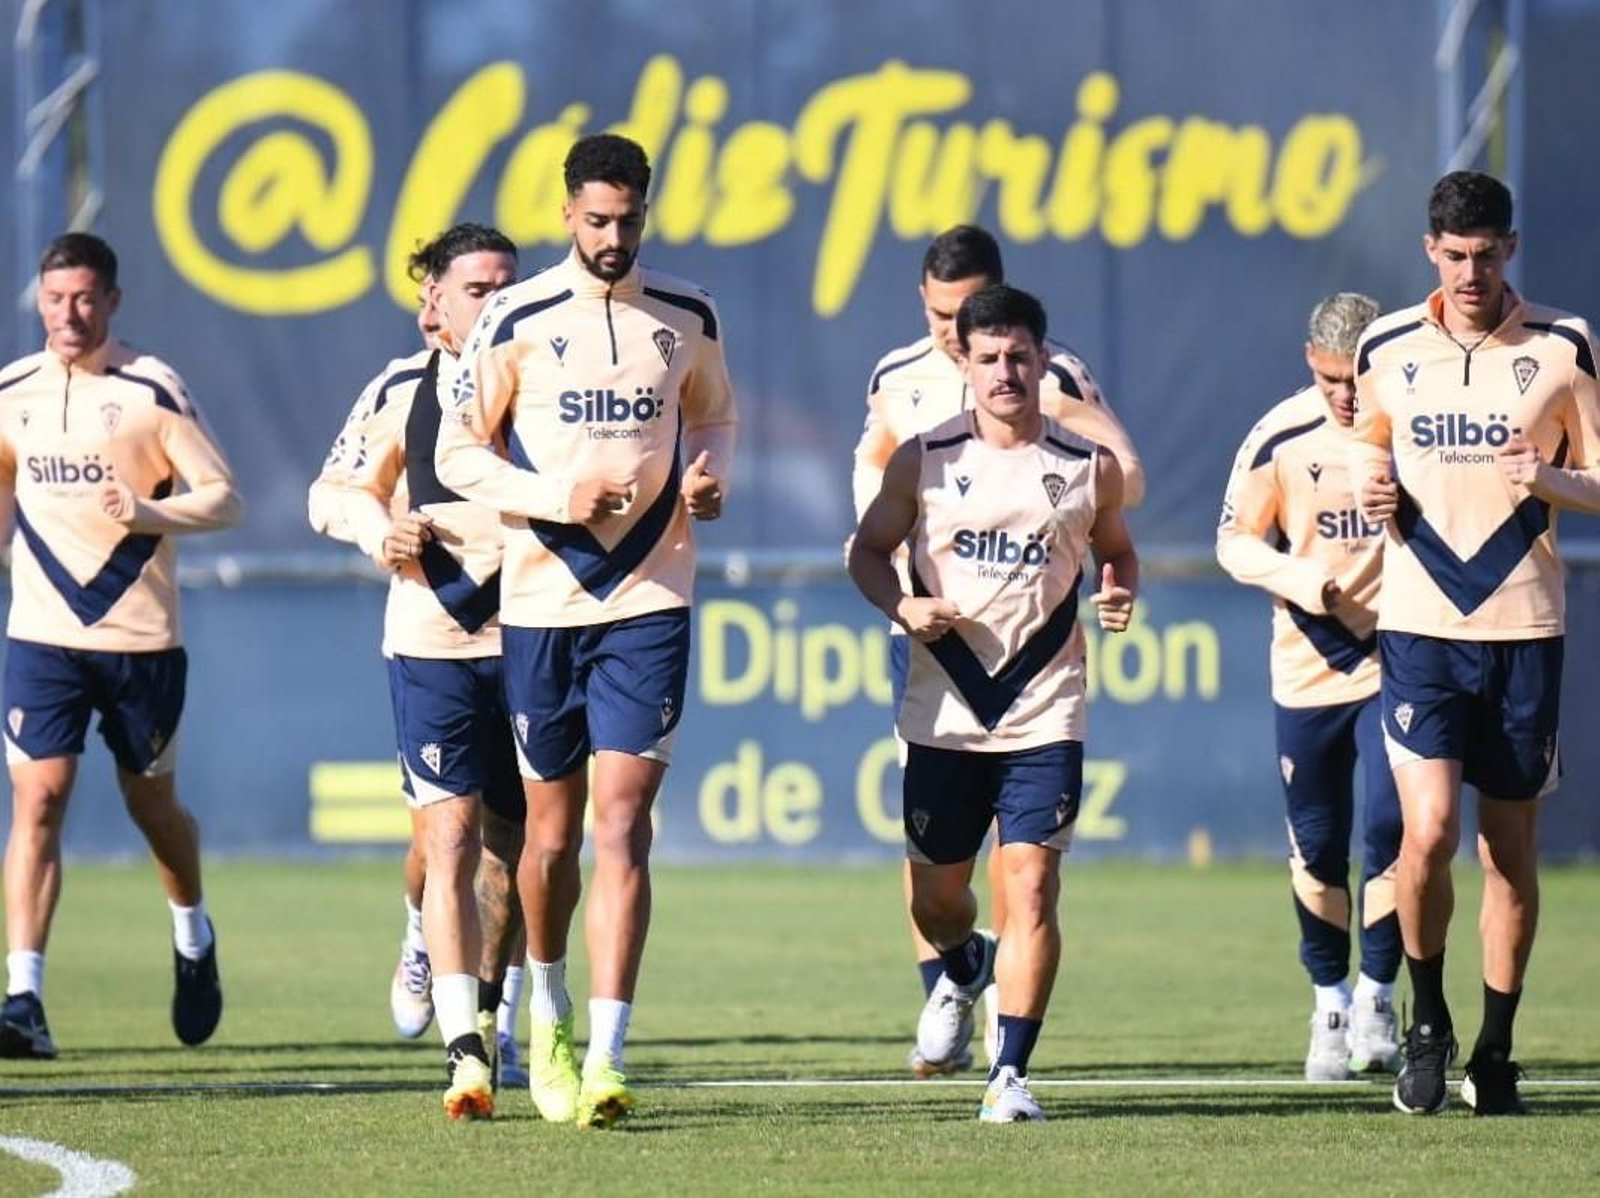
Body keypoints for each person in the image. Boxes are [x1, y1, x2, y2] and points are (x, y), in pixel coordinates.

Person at [437, 133, 736, 1128]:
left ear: (647, 213)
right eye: (596, 220)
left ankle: (608, 1050)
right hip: (540, 603)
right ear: (568, 211)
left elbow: (716, 418)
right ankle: (548, 1008)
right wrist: (554, 494)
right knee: (551, 837)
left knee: (622, 822)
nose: (612, 238)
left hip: (649, 597)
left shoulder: (685, 315)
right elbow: (459, 455)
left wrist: (704, 473)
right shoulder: (518, 316)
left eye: (629, 221)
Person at [851, 224, 1144, 1077]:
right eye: (981, 351)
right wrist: (903, 600)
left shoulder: (1077, 432)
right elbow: (865, 528)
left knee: (1031, 887)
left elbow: (1120, 513)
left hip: (1043, 694)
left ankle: (1010, 1072)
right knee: (937, 895)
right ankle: (959, 964)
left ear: (1038, 356)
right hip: (940, 674)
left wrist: (1115, 578)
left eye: (1017, 355)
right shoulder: (910, 418)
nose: (999, 368)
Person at [1351, 170, 1600, 1116]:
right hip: (1419, 624)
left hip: (1525, 626)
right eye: (1454, 255)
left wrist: (1548, 476)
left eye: (1487, 254)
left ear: (1512, 249)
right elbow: (1372, 442)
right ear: (1430, 251)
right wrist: (1375, 486)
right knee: (1428, 833)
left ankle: (1495, 1049)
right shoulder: (1387, 345)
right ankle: (1425, 1020)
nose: (1470, 271)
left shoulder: (1563, 345)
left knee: (1508, 855)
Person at [0, 233, 242, 1058]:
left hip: (140, 642)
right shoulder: (14, 391)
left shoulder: (151, 390)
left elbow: (224, 498)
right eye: (55, 298)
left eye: (84, 299)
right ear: (38, 300)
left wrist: (150, 513)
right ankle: (23, 996)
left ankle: (192, 932)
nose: (69, 315)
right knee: (38, 800)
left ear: (111, 302)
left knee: (152, 809)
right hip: (42, 636)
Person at [308, 223, 525, 1120]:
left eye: (509, 285)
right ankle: (465, 1042)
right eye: (480, 287)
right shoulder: (403, 387)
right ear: (432, 303)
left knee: (509, 863)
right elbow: (331, 494)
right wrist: (378, 530)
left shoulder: (549, 381)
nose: (499, 302)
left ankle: (493, 1006)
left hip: (534, 639)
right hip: (433, 635)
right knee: (446, 844)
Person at [1217, 292, 1403, 1080]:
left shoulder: (1415, 424)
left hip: (1401, 658)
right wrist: (1303, 579)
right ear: (1311, 363)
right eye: (1332, 378)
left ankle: (1378, 993)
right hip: (1309, 664)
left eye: (1358, 376)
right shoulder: (1282, 436)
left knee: (1395, 831)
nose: (1347, 394)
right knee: (1318, 846)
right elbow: (1232, 542)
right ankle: (1328, 999)